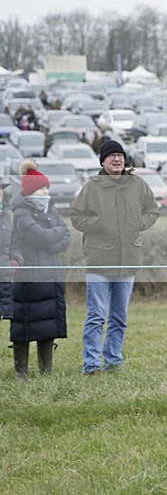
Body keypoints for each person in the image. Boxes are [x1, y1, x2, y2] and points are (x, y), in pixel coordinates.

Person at [71, 139, 159, 375]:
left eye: (120, 155)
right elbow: (77, 218)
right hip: (99, 262)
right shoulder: (92, 186)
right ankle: (91, 366)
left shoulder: (137, 184)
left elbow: (153, 210)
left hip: (128, 261)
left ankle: (113, 363)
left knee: (119, 318)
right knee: (96, 317)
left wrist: (139, 223)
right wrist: (98, 224)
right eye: (112, 156)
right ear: (103, 161)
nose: (117, 159)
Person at [9, 160, 71, 379]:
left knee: (48, 325)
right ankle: (21, 373)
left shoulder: (50, 210)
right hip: (29, 279)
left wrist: (52, 239)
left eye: (47, 188)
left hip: (52, 275)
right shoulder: (21, 215)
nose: (46, 191)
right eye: (42, 188)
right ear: (32, 191)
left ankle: (46, 372)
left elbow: (66, 235)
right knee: (24, 326)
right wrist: (53, 238)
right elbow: (41, 237)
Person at [0, 178, 22, 322]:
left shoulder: (6, 217)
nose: (0, 192)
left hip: (4, 278)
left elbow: (14, 244)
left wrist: (15, 260)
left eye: (1, 188)